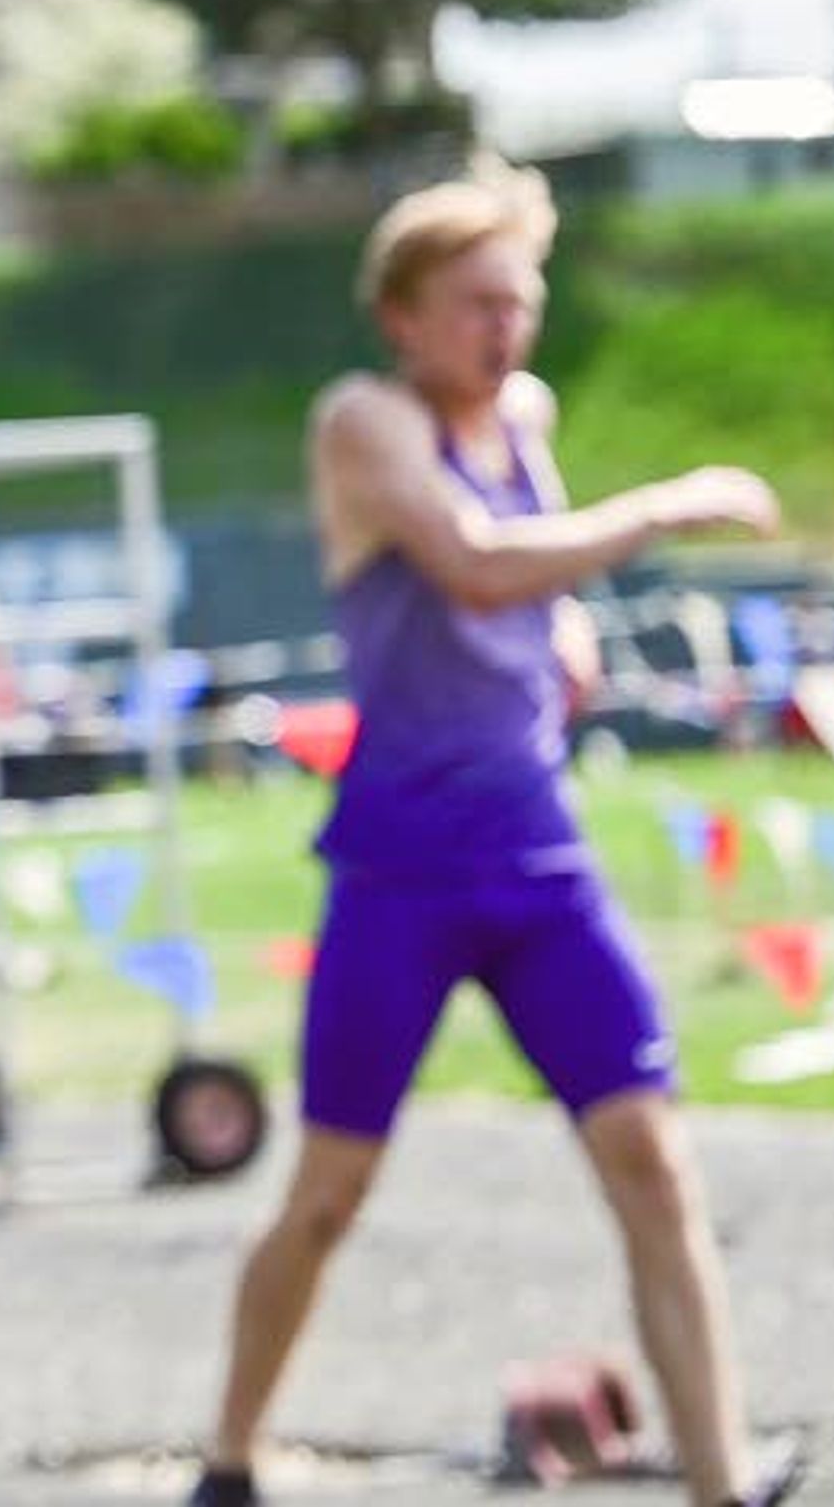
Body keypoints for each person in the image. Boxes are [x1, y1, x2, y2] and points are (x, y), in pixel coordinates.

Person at [186, 163, 798, 1507]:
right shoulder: (364, 420)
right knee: (330, 1191)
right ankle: (230, 1455)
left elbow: (530, 574)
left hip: (538, 857)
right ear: (402, 315)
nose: (505, 329)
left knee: (652, 1156)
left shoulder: (527, 412)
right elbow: (470, 557)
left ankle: (722, 1480)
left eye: (520, 301)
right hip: (402, 869)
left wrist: (563, 642)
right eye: (475, 304)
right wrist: (661, 509)